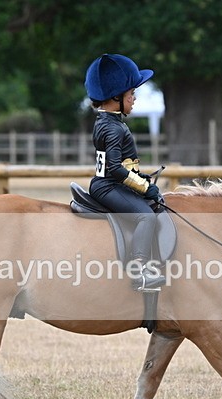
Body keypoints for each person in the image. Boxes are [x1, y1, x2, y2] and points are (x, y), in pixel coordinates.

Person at [84, 53, 165, 291]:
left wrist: (140, 176)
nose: (134, 98)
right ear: (116, 97)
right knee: (146, 216)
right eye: (131, 93)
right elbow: (116, 169)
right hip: (108, 186)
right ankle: (139, 271)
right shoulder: (114, 128)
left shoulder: (108, 122)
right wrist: (145, 187)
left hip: (109, 183)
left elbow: (123, 165)